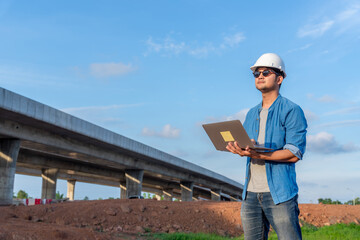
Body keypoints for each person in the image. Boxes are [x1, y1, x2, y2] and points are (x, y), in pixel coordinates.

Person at [226, 53, 307, 240]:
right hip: (250, 194)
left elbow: (294, 153)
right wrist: (241, 149)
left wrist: (259, 155)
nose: (260, 76)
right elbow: (250, 147)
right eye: (256, 74)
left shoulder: (291, 110)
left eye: (266, 72)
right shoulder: (251, 113)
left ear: (279, 78)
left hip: (280, 194)